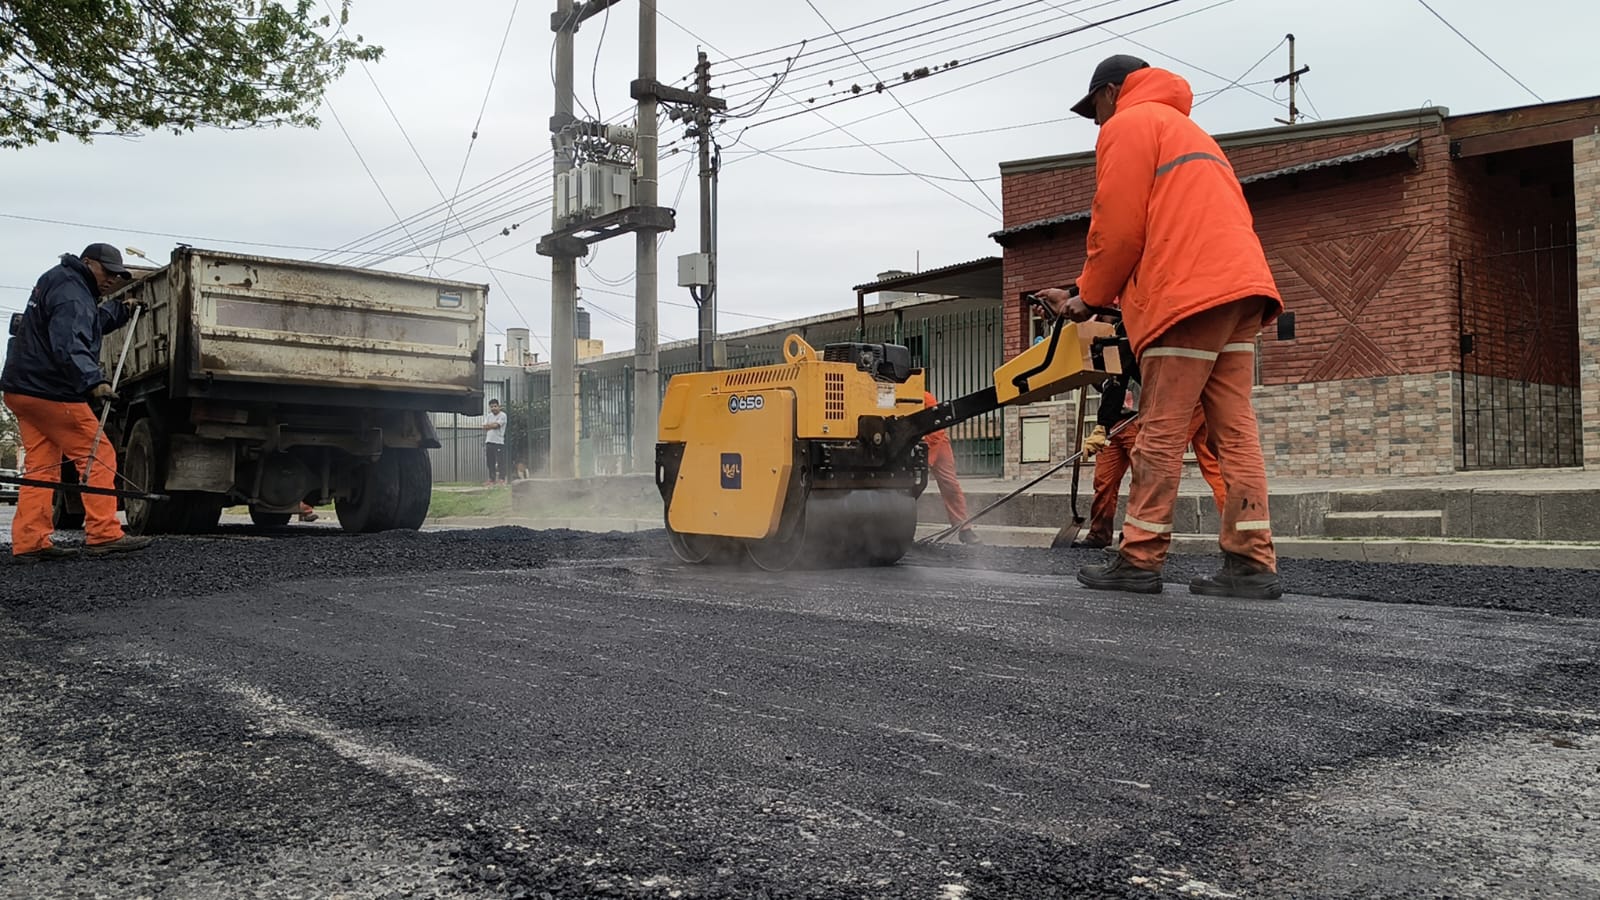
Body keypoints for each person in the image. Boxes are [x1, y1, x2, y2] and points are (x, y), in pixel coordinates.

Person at [1037, 54, 1284, 600]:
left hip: (1186, 296)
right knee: (1235, 433)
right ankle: (1252, 561)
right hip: (1241, 293)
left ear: (1109, 92)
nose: (1097, 122)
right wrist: (1088, 292)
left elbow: (1118, 227)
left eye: (1094, 109)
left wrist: (1090, 298)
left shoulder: (1129, 124)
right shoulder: (1193, 133)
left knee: (1160, 429)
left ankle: (1140, 558)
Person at [1, 244, 154, 562]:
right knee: (98, 452)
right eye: (108, 271)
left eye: (117, 274)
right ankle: (104, 533)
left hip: (22, 389)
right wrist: (93, 381)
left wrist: (121, 311)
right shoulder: (72, 292)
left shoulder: (62, 282)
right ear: (88, 263)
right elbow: (70, 341)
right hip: (49, 391)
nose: (112, 278)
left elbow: (86, 322)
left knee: (41, 465)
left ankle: (30, 541)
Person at [1076, 373, 1227, 549]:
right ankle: (1099, 534)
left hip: (1139, 420)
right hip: (1113, 423)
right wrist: (1102, 423)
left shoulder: (1129, 356)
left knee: (1145, 479)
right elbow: (1111, 387)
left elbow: (1124, 381)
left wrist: (1103, 424)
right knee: (1103, 482)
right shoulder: (1104, 365)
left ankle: (1137, 534)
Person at [923, 391, 980, 545]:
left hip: (936, 441)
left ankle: (964, 528)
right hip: (911, 442)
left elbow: (935, 426)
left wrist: (928, 456)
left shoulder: (924, 396)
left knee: (950, 485)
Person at [482, 398, 507, 485]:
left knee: (500, 461)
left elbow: (497, 425)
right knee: (490, 462)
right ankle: (492, 479)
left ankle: (502, 479)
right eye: (491, 407)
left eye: (495, 406)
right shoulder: (489, 416)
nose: (493, 408)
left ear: (499, 406)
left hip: (498, 442)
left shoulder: (503, 415)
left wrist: (490, 425)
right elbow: (484, 427)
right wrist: (491, 425)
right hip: (489, 441)